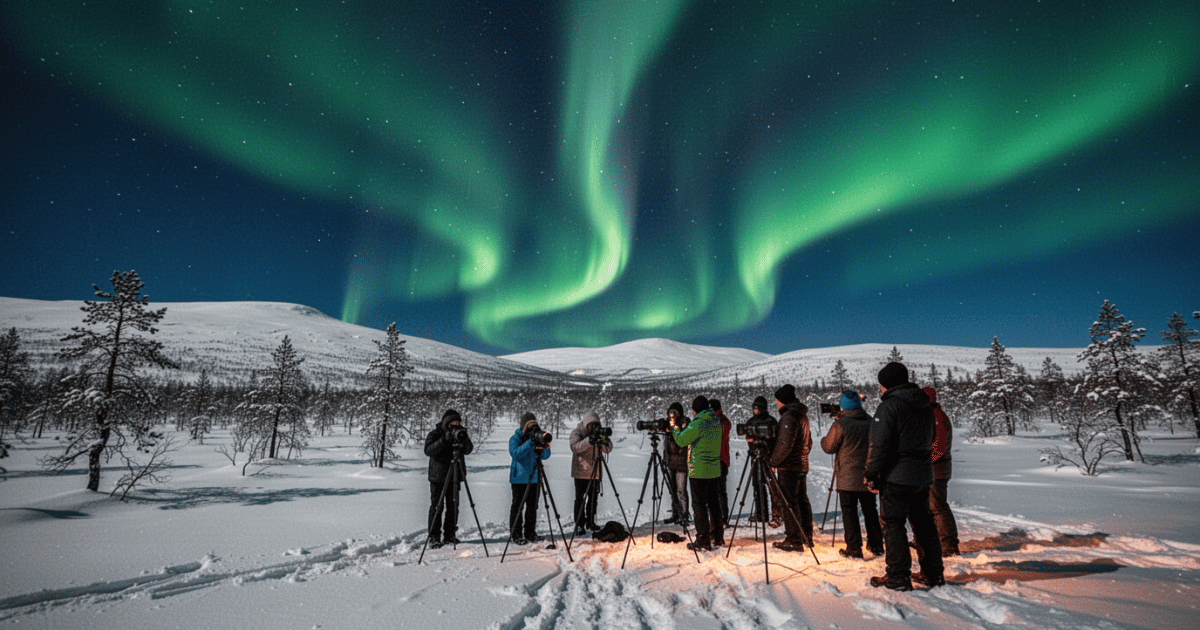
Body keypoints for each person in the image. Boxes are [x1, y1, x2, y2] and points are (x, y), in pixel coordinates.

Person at [866, 362, 945, 591]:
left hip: (897, 475)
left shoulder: (889, 407)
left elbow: (879, 446)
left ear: (886, 383)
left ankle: (898, 576)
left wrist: (871, 474)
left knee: (893, 525)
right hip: (922, 473)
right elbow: (931, 437)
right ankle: (933, 573)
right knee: (924, 524)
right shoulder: (925, 405)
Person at [819, 391, 883, 559]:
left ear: (843, 406)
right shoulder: (871, 421)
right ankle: (877, 545)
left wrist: (825, 436)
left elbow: (828, 447)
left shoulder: (841, 424)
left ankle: (854, 548)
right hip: (869, 475)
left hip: (847, 478)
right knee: (870, 510)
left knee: (849, 512)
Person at [671, 395, 724, 550]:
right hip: (714, 470)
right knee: (714, 504)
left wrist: (674, 429)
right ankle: (717, 536)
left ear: (695, 410)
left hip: (699, 470)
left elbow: (681, 440)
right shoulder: (715, 421)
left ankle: (703, 539)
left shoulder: (698, 423)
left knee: (699, 505)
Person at [770, 384, 813, 551]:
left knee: (789, 502)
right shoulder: (802, 416)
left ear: (783, 401)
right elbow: (808, 443)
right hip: (801, 464)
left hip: (789, 466)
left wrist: (773, 461)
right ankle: (806, 535)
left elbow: (784, 445)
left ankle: (793, 539)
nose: (776, 404)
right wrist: (802, 455)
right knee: (802, 500)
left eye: (777, 401)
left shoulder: (789, 417)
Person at [424, 409, 474, 548]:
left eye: (458, 423)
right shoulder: (435, 434)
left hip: (454, 476)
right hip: (438, 476)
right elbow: (428, 450)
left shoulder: (460, 433)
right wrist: (444, 440)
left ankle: (449, 535)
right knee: (437, 507)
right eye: (453, 423)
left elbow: (468, 450)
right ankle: (434, 537)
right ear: (446, 423)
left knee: (453, 506)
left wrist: (464, 437)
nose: (455, 425)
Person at [924, 386, 960, 557]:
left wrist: (922, 462)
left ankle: (949, 545)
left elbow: (938, 448)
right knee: (932, 507)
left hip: (936, 470)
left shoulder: (938, 418)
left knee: (937, 506)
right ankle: (938, 541)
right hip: (933, 469)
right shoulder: (934, 416)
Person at [509, 412, 552, 545]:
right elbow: (515, 454)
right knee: (518, 507)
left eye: (535, 424)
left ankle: (530, 533)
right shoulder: (516, 438)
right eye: (530, 425)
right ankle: (516, 534)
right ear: (524, 426)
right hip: (519, 479)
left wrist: (545, 443)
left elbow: (545, 456)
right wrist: (529, 442)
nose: (533, 427)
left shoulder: (536, 437)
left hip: (534, 478)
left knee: (532, 507)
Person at [569, 410, 612, 535]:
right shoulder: (577, 432)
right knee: (580, 499)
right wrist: (589, 440)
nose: (593, 427)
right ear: (586, 423)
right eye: (591, 425)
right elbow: (574, 447)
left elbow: (608, 448)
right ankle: (579, 524)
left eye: (596, 424)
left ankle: (591, 522)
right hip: (581, 472)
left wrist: (603, 438)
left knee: (593, 499)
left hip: (595, 472)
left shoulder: (599, 433)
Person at [744, 396, 777, 523]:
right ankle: (761, 513)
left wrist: (767, 443)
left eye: (758, 409)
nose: (755, 411)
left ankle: (777, 514)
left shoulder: (771, 421)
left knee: (772, 486)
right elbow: (748, 436)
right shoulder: (751, 421)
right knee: (757, 485)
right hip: (755, 457)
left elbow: (776, 439)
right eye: (754, 409)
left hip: (769, 457)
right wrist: (752, 442)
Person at [663, 402, 690, 525]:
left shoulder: (685, 424)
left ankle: (684, 515)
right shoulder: (669, 425)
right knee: (673, 491)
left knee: (681, 491)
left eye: (675, 412)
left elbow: (683, 443)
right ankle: (676, 513)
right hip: (671, 463)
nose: (672, 415)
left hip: (682, 463)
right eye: (670, 412)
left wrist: (674, 429)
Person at [710, 398, 732, 524]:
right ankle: (721, 516)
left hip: (719, 459)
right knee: (720, 490)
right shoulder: (723, 420)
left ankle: (722, 517)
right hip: (722, 459)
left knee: (719, 491)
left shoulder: (719, 421)